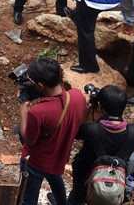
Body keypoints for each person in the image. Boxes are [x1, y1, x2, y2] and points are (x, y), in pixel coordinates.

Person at [69, 85, 134, 205]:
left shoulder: (90, 129)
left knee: (80, 164)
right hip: (118, 172)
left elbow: (75, 131)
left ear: (100, 106)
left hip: (89, 174)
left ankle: (76, 200)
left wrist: (86, 111)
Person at [18, 58, 87, 205]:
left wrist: (23, 110)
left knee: (28, 198)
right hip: (59, 157)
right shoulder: (77, 96)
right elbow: (80, 103)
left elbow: (29, 141)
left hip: (36, 162)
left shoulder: (38, 112)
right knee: (55, 178)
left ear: (40, 86)